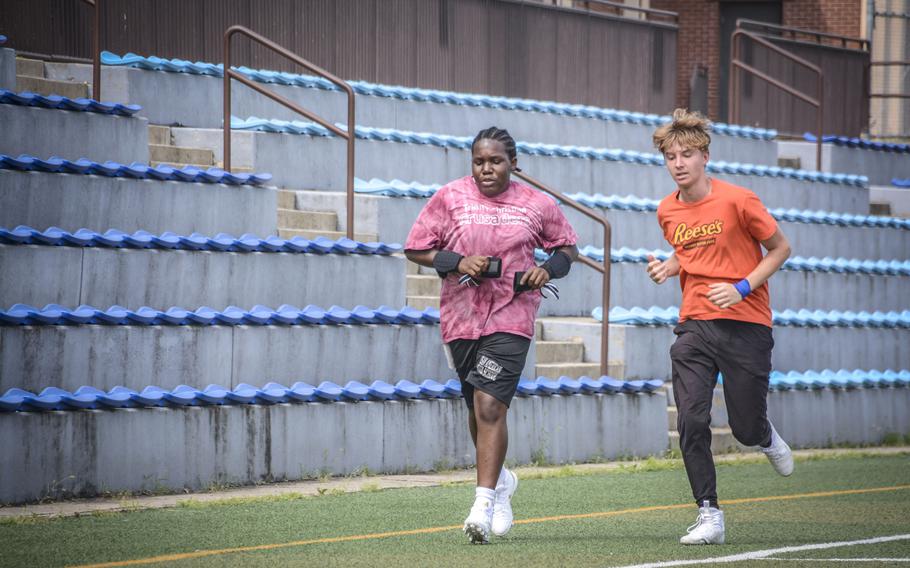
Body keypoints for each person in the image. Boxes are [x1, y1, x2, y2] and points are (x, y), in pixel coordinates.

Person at [404, 126, 579, 544]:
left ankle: (481, 505)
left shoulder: (536, 203)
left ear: (513, 163)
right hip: (461, 316)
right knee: (475, 406)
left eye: (496, 161)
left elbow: (568, 248)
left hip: (511, 313)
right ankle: (501, 484)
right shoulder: (449, 197)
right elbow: (415, 247)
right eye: (479, 161)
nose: (487, 168)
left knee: (489, 405)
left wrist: (547, 269)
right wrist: (458, 261)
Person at [646, 109, 794, 545]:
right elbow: (691, 252)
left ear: (705, 157)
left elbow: (781, 249)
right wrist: (670, 267)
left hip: (746, 323)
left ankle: (764, 435)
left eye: (687, 154)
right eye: (671, 156)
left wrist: (742, 287)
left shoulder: (738, 200)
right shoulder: (666, 211)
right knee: (691, 419)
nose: (678, 163)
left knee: (745, 428)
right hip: (694, 324)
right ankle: (709, 513)